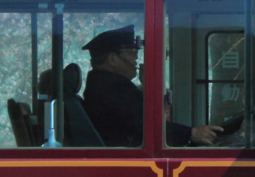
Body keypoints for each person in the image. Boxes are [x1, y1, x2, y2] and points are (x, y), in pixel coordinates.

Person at [82, 25, 222, 147]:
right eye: (132, 51)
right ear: (113, 59)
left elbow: (141, 116)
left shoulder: (108, 85)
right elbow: (145, 126)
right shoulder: (111, 89)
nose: (137, 57)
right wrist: (191, 134)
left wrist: (148, 86)